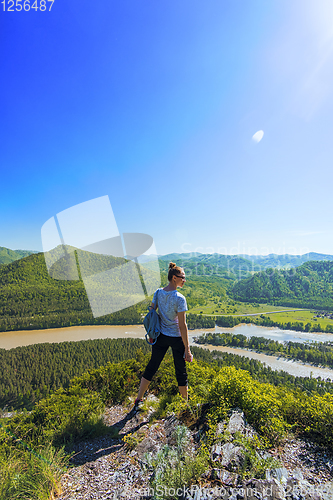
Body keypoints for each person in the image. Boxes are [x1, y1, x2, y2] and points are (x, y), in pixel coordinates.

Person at [134, 262, 193, 409]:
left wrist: (152, 332)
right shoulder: (180, 298)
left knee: (152, 366)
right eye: (182, 277)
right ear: (174, 278)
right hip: (176, 338)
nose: (184, 280)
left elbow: (152, 312)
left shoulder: (158, 292)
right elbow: (182, 325)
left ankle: (139, 399)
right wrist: (187, 349)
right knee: (181, 371)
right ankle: (185, 406)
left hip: (160, 336)